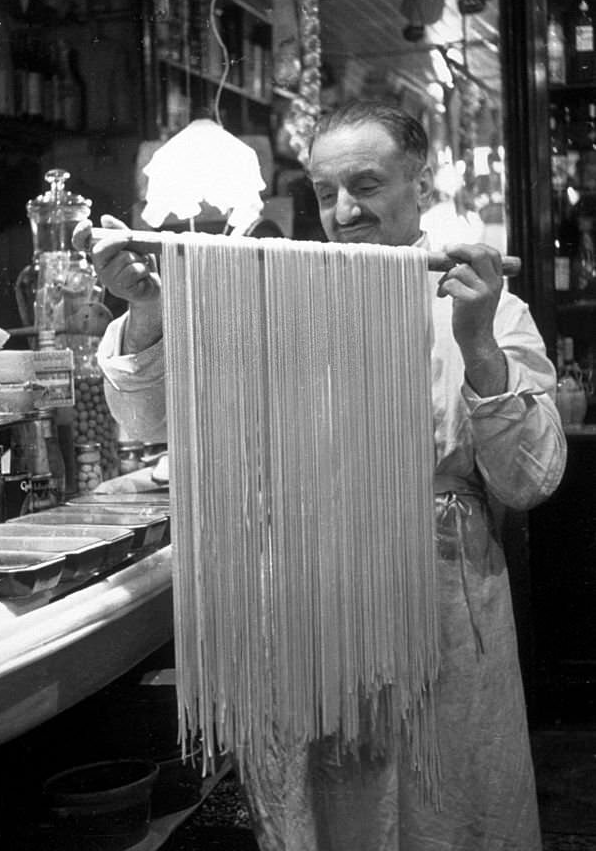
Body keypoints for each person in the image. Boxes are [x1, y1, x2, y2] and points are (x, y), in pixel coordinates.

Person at [73, 100, 567, 851]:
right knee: (325, 811)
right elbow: (147, 424)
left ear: (419, 181)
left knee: (447, 808)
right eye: (324, 189)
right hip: (305, 612)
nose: (342, 210)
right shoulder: (270, 298)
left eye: (365, 185)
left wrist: (477, 348)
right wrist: (147, 310)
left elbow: (528, 481)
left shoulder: (488, 310)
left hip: (437, 604)